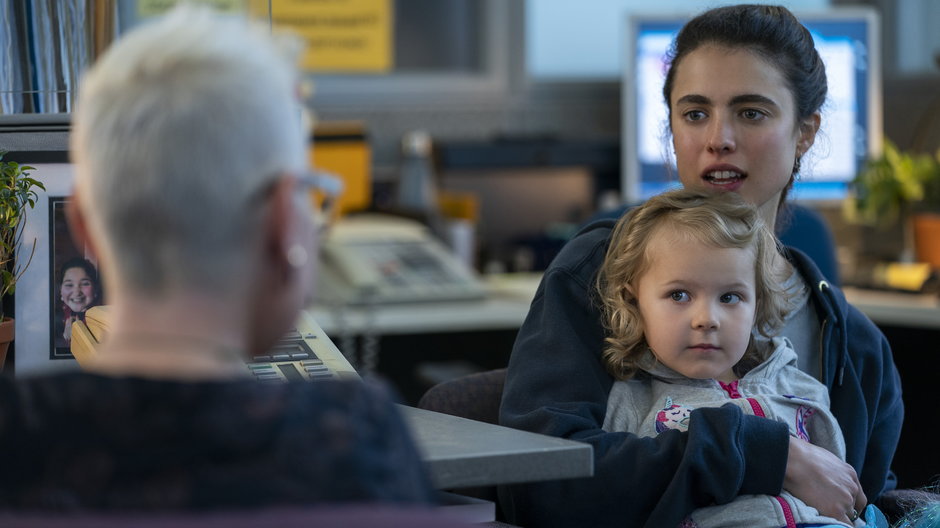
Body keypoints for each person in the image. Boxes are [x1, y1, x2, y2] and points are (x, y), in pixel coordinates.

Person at [0, 6, 436, 511]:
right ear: (282, 224)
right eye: (312, 198)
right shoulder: (360, 443)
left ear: (84, 228)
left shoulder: (17, 443)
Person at [499, 4, 904, 527]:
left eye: (751, 112)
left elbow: (865, 503)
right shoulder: (603, 270)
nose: (718, 139)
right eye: (694, 114)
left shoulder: (855, 344)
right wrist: (769, 458)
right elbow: (542, 483)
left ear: (805, 132)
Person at [597, 189, 887, 528]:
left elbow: (841, 496)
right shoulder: (630, 401)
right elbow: (617, 505)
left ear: (757, 304)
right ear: (635, 300)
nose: (706, 318)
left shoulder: (802, 391)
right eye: (679, 295)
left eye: (730, 297)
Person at [55, 257, 102, 347]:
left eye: (85, 284)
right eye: (69, 285)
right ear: (60, 290)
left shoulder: (104, 320)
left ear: (95, 289)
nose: (77, 292)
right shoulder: (57, 318)